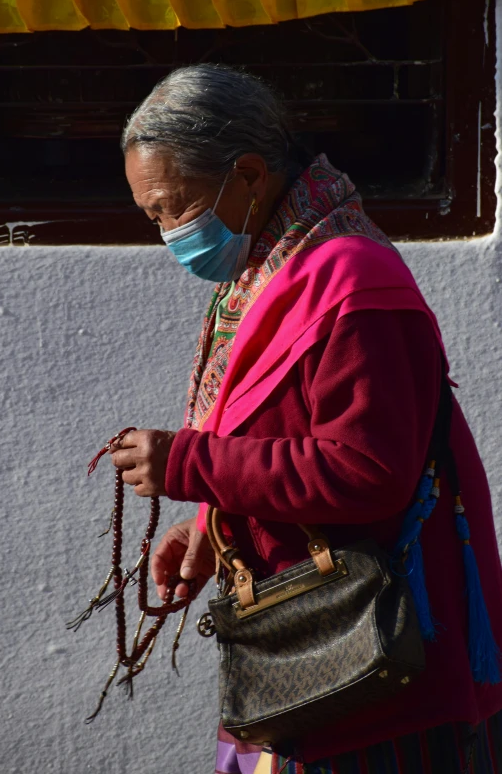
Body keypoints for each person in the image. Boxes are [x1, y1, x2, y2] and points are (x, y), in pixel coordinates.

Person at [109, 64, 502, 773]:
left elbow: (367, 469)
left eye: (174, 207)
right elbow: (272, 437)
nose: (168, 233)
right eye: (154, 217)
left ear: (250, 174)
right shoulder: (263, 277)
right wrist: (209, 527)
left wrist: (186, 464)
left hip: (376, 674)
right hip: (313, 656)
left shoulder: (351, 282)